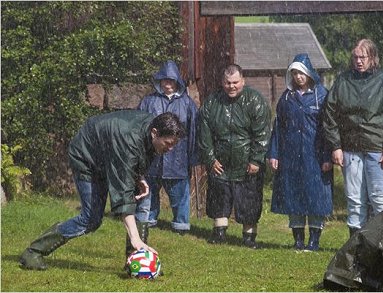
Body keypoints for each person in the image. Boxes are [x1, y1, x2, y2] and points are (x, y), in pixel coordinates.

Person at [19, 110, 185, 270]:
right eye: (168, 144)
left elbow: (139, 156)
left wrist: (139, 176)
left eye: (173, 145)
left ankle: (137, 260)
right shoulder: (128, 139)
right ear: (155, 132)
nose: (170, 149)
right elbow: (122, 193)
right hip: (87, 159)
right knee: (91, 219)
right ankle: (33, 252)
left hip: (111, 156)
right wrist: (134, 238)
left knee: (142, 200)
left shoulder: (150, 131)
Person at [322, 39, 383, 237]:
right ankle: (356, 247)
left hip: (379, 149)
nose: (358, 61)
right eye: (356, 57)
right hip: (350, 149)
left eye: (363, 57)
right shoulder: (343, 81)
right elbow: (329, 113)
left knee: (380, 199)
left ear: (372, 57)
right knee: (355, 200)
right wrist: (336, 146)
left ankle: (382, 244)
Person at [198, 64, 271, 249]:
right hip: (220, 161)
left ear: (243, 81)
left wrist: (256, 159)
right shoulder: (212, 102)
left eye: (235, 82)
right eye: (228, 82)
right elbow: (204, 133)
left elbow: (262, 133)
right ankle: (219, 233)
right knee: (219, 197)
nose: (232, 86)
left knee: (249, 199)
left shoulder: (255, 100)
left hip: (247, 161)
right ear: (222, 82)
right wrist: (210, 158)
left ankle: (249, 237)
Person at [267, 53, 333, 251]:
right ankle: (298, 239)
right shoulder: (286, 98)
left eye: (301, 73)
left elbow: (329, 128)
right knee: (293, 195)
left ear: (309, 73)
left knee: (315, 196)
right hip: (291, 155)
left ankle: (314, 240)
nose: (298, 77)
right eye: (294, 73)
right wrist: (274, 153)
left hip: (315, 155)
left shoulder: (322, 96)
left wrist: (328, 156)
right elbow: (278, 127)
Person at [137, 60, 198, 235]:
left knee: (180, 194)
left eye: (171, 81)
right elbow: (141, 127)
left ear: (177, 81)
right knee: (150, 192)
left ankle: (181, 224)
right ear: (159, 81)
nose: (167, 84)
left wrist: (193, 157)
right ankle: (148, 220)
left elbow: (194, 130)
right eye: (164, 80)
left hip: (178, 158)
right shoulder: (148, 101)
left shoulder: (187, 104)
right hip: (153, 157)